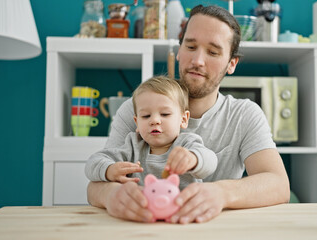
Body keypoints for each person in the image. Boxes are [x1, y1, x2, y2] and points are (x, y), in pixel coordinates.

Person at [86, 4, 290, 224]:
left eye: (213, 52)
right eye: (190, 47)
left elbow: (278, 185)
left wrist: (222, 193)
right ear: (179, 51)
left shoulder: (244, 115)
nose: (197, 61)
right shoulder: (138, 110)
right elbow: (95, 186)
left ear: (231, 63)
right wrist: (111, 195)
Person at [85, 76, 217, 190]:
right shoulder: (132, 146)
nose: (154, 120)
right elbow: (92, 163)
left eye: (165, 114)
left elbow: (211, 161)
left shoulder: (187, 143)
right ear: (136, 123)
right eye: (146, 116)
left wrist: (194, 159)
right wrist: (109, 170)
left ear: (183, 119)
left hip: (182, 213)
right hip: (142, 214)